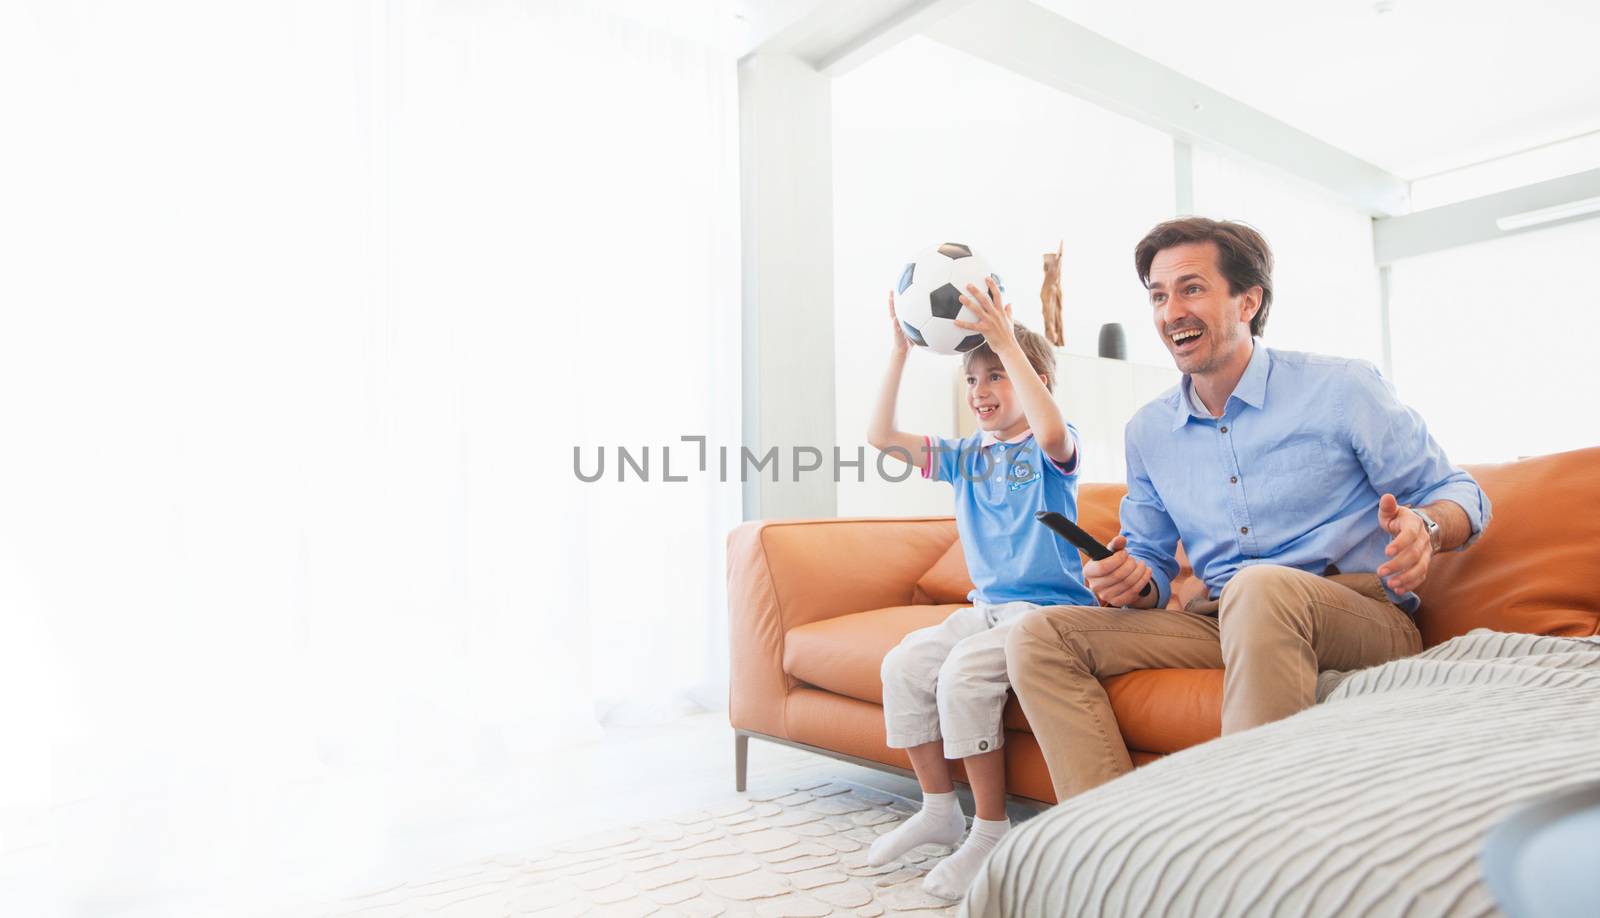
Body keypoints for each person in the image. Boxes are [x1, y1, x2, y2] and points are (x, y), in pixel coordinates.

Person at [1005, 217, 1492, 804]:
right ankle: (1109, 843)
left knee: (1260, 588)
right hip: (1222, 618)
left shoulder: (1342, 388)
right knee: (1038, 636)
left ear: (1249, 300)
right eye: (1159, 296)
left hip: (1360, 613)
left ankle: (1247, 854)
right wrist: (1131, 580)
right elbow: (1153, 567)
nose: (1170, 312)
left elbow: (1458, 490)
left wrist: (1428, 526)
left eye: (1191, 288)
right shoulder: (1149, 432)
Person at [866, 278, 1095, 899]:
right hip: (989, 611)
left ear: (1030, 382)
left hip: (1051, 616)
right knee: (904, 664)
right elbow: (881, 437)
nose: (982, 392)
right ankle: (940, 810)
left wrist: (1006, 341)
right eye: (973, 380)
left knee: (964, 673)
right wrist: (899, 351)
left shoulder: (1054, 445)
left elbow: (1050, 433)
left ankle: (990, 832)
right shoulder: (968, 456)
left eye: (996, 376)